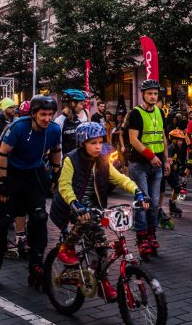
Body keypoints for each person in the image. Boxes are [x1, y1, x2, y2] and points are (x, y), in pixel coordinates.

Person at [49, 122, 148, 302]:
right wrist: (75, 204)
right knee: (90, 227)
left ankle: (102, 283)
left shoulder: (102, 160)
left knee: (102, 249)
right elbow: (64, 186)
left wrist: (138, 191)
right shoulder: (71, 159)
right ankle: (66, 247)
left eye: (100, 142)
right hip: (71, 205)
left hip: (94, 208)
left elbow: (120, 179)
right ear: (82, 143)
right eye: (93, 143)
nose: (98, 147)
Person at [0, 94, 62, 291]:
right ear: (33, 114)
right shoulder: (19, 126)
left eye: (50, 114)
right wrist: (2, 182)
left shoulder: (54, 129)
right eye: (43, 114)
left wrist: (56, 173)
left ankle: (36, 263)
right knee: (1, 220)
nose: (47, 118)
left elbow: (56, 150)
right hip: (11, 172)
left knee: (39, 216)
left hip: (34, 173)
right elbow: (2, 153)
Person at [126, 79, 169, 257]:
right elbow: (133, 140)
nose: (153, 96)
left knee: (154, 205)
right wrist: (150, 156)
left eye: (155, 93)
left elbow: (163, 137)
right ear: (143, 94)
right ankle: (142, 238)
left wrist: (166, 160)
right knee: (143, 202)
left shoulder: (160, 112)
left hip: (157, 165)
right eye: (149, 93)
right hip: (140, 165)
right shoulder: (135, 113)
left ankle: (151, 235)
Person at [55, 89, 88, 153]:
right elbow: (58, 147)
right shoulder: (59, 122)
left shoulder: (78, 120)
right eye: (81, 104)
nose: (82, 107)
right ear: (73, 104)